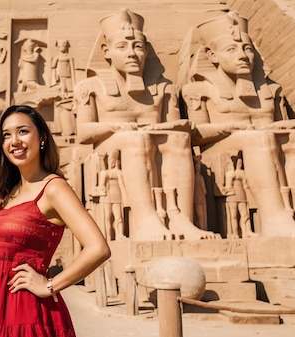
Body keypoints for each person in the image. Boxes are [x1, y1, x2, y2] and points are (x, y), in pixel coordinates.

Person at [0, 105, 111, 337]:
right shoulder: (5, 193)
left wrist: (49, 285)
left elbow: (98, 248)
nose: (15, 141)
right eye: (6, 135)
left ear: (42, 137)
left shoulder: (54, 188)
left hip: (28, 313)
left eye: (23, 131)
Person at [181, 11, 295, 237]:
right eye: (231, 50)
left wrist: (290, 126)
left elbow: (281, 128)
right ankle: (275, 218)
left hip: (262, 142)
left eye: (248, 49)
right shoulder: (199, 89)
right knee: (259, 138)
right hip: (222, 150)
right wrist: (233, 128)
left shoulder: (270, 90)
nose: (243, 56)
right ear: (212, 56)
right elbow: (195, 135)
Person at [74, 8, 217, 241]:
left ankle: (181, 218)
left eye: (138, 46)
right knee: (137, 140)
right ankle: (146, 220)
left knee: (179, 140)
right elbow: (84, 132)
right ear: (106, 51)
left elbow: (176, 128)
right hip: (113, 149)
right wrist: (117, 128)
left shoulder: (164, 88)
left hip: (150, 145)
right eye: (122, 46)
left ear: (147, 51)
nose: (132, 53)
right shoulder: (91, 86)